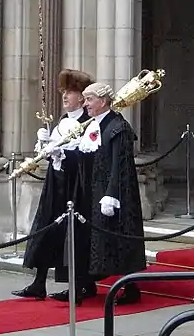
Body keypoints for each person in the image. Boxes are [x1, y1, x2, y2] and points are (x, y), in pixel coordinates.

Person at [51, 82, 146, 305]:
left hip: (114, 195)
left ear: (103, 102)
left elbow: (119, 165)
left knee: (119, 240)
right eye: (84, 100)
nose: (85, 105)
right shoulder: (92, 126)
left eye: (89, 100)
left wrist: (111, 194)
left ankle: (131, 287)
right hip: (91, 193)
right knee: (87, 240)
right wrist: (61, 155)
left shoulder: (118, 127)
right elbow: (86, 157)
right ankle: (83, 285)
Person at [11, 69, 94, 302]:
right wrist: (46, 146)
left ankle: (81, 285)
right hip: (55, 183)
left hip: (74, 186)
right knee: (46, 230)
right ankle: (38, 283)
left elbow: (86, 156)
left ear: (81, 96)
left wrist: (63, 153)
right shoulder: (63, 121)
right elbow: (54, 154)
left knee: (73, 236)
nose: (65, 97)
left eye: (70, 92)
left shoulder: (87, 123)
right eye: (64, 92)